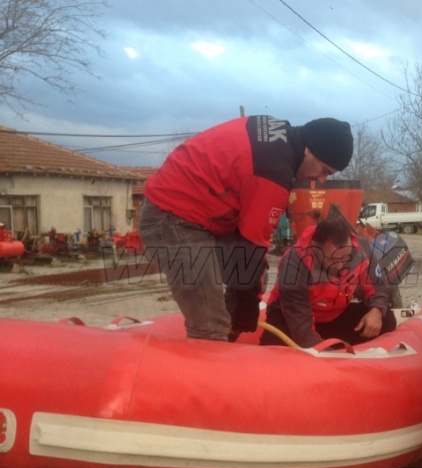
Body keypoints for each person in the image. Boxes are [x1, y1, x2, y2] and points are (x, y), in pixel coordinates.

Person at [138, 115, 354, 341]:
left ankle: (229, 336)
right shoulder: (273, 172)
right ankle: (212, 350)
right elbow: (252, 246)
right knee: (210, 325)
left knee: (255, 275)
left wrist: (246, 296)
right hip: (172, 218)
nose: (320, 180)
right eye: (325, 171)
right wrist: (249, 302)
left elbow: (250, 253)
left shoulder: (279, 135)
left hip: (199, 213)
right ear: (310, 150)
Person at [261, 216, 396, 348]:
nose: (340, 266)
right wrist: (328, 355)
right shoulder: (294, 264)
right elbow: (300, 326)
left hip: (334, 315)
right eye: (333, 260)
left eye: (345, 258)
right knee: (274, 346)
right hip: (292, 317)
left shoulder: (362, 249)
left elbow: (379, 285)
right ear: (315, 248)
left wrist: (376, 310)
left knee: (387, 320)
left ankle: (327, 341)